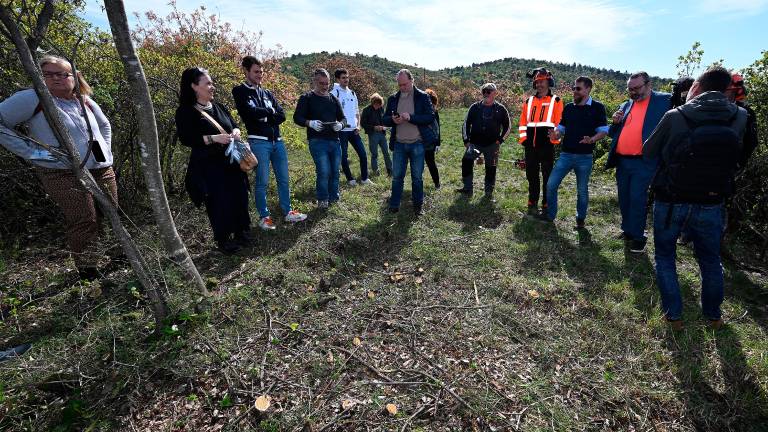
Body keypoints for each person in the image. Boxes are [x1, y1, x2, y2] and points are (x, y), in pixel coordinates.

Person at [643, 66, 747, 330]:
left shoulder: (675, 115)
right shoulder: (740, 116)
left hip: (671, 198)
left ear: (697, 87)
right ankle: (713, 316)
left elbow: (648, 151)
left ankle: (674, 316)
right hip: (712, 200)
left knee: (665, 255)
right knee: (710, 259)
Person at [0, 55, 117, 280]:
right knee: (84, 218)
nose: (56, 78)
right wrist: (35, 153)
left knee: (110, 212)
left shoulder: (84, 99)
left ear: (74, 76)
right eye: (49, 74)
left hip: (100, 168)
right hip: (61, 172)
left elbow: (104, 125)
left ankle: (113, 255)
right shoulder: (32, 99)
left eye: (63, 74)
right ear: (39, 77)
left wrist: (105, 153)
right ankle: (88, 271)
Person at [176, 67, 250, 254]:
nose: (212, 87)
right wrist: (213, 138)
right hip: (210, 166)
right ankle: (224, 239)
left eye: (211, 82)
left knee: (239, 195)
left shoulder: (219, 107)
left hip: (232, 161)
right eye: (207, 83)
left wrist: (236, 132)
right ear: (194, 86)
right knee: (219, 201)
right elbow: (186, 139)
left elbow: (234, 125)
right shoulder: (186, 112)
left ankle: (242, 232)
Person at [232, 56, 307, 231]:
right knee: (262, 181)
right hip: (259, 142)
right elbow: (248, 113)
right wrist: (269, 112)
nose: (260, 75)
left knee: (284, 179)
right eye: (256, 72)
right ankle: (264, 217)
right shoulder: (239, 91)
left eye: (261, 72)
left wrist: (265, 114)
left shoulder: (267, 93)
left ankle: (288, 212)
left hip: (278, 142)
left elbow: (281, 115)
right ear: (246, 71)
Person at [605, 71, 671, 253]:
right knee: (624, 197)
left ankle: (638, 237)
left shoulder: (664, 101)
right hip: (623, 160)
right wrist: (615, 122)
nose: (633, 92)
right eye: (630, 89)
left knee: (637, 198)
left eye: (636, 88)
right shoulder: (626, 105)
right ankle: (628, 230)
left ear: (649, 85)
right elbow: (612, 133)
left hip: (644, 161)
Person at [542, 77, 608, 226]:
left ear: (588, 89)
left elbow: (603, 131)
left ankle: (580, 219)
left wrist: (591, 139)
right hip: (566, 155)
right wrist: (555, 135)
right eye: (574, 88)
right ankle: (551, 215)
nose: (574, 91)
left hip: (585, 157)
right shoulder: (569, 108)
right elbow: (561, 128)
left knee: (582, 191)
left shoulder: (597, 107)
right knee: (551, 185)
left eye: (578, 89)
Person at [382, 69, 436, 215]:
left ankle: (418, 205)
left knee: (417, 177)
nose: (402, 87)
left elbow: (430, 117)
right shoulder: (393, 98)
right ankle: (394, 205)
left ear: (412, 81)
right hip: (399, 143)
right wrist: (393, 120)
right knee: (397, 177)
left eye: (405, 84)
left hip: (417, 143)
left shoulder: (422, 96)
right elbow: (385, 119)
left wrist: (411, 117)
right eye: (399, 85)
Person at [293, 68, 346, 208]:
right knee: (324, 170)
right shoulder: (307, 98)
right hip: (317, 140)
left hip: (334, 140)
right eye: (321, 83)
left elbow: (343, 118)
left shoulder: (333, 98)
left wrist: (340, 125)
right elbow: (297, 117)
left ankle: (334, 198)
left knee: (335, 170)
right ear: (315, 81)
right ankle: (323, 199)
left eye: (327, 83)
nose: (324, 86)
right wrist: (309, 123)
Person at [518, 68, 563, 214]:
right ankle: (532, 199)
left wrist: (554, 139)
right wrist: (524, 139)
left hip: (546, 145)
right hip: (530, 145)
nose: (539, 85)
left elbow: (559, 124)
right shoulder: (528, 101)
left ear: (548, 82)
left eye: (542, 81)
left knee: (547, 175)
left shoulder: (556, 101)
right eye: (537, 82)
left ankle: (546, 203)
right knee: (531, 174)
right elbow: (523, 123)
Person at [457, 83, 510, 199]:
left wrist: (500, 140)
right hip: (475, 143)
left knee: (491, 168)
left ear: (495, 93)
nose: (486, 93)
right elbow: (466, 124)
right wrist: (466, 140)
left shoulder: (501, 109)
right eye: (484, 91)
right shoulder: (474, 107)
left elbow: (508, 126)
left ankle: (488, 193)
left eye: (489, 91)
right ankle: (467, 188)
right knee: (466, 161)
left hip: (492, 145)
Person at [332, 68, 373, 186]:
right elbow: (331, 112)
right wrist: (337, 125)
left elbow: (356, 111)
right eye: (343, 78)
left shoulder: (352, 93)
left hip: (354, 130)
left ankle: (365, 179)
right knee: (343, 156)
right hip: (342, 131)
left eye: (347, 77)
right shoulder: (334, 93)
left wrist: (358, 125)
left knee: (363, 154)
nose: (346, 80)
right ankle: (350, 179)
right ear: (338, 79)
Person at [360, 92, 392, 177]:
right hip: (373, 134)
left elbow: (384, 119)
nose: (378, 106)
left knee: (386, 152)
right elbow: (363, 123)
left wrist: (385, 126)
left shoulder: (381, 109)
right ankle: (375, 171)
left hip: (382, 134)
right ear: (373, 102)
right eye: (377, 104)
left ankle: (390, 170)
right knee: (374, 154)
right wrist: (374, 127)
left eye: (380, 104)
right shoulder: (366, 110)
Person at [424, 88, 442, 189]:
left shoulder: (435, 112)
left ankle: (437, 183)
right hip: (420, 140)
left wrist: (438, 143)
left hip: (429, 142)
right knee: (428, 163)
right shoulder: (419, 110)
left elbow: (437, 128)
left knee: (430, 163)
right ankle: (437, 184)